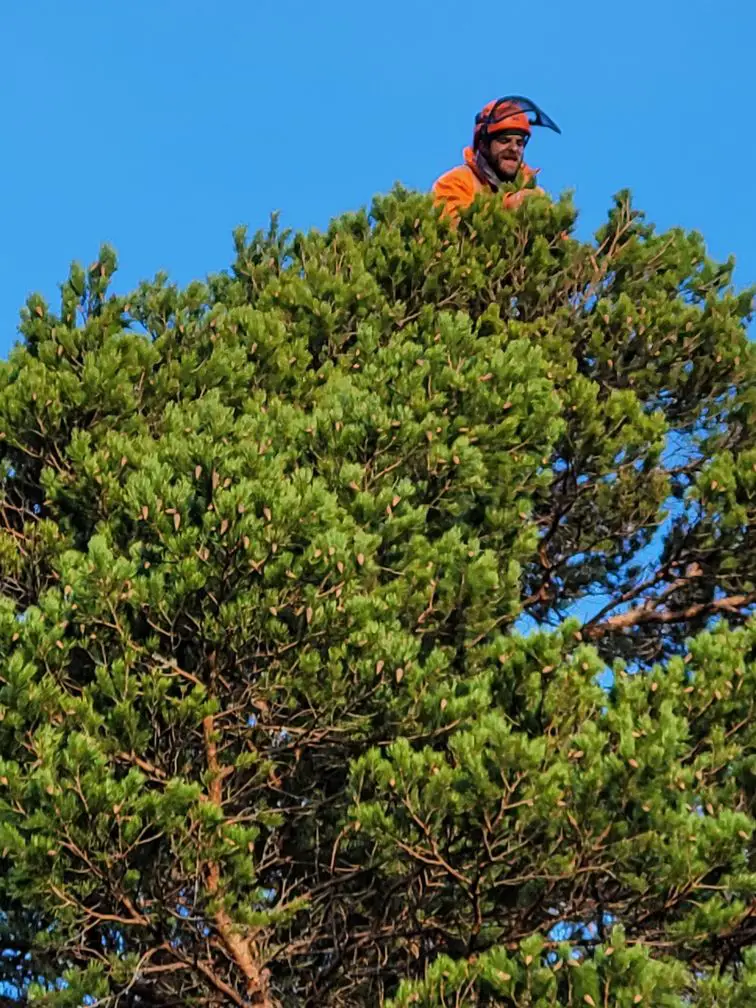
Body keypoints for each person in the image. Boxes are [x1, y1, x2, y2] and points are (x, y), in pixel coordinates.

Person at [432, 95, 561, 220]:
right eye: (504, 141)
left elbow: (559, 238)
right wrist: (508, 206)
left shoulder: (532, 192)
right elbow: (452, 229)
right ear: (483, 144)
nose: (514, 149)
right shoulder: (456, 182)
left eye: (519, 143)